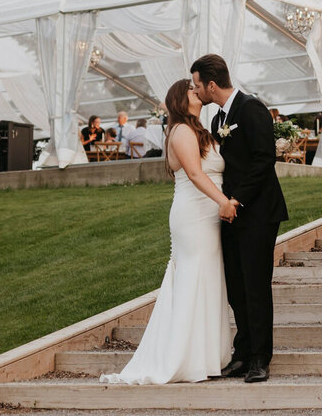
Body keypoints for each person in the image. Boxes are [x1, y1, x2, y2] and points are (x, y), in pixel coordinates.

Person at [100, 80, 238, 385]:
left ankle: (208, 356)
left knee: (209, 277)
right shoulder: (181, 132)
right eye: (192, 90)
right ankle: (183, 357)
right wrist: (223, 202)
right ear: (180, 99)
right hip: (194, 214)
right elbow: (194, 173)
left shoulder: (202, 129)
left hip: (208, 214)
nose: (198, 92)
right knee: (192, 277)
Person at [191, 53, 288, 384]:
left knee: (255, 286)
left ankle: (261, 357)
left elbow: (265, 159)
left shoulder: (251, 108)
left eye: (197, 85)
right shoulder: (219, 120)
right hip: (230, 214)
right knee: (236, 287)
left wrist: (237, 199)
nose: (196, 90)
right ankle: (243, 353)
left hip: (258, 212)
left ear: (212, 85)